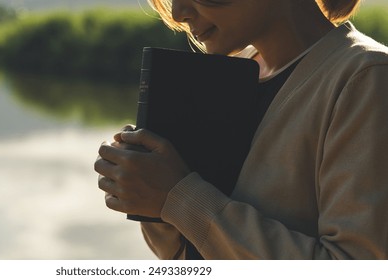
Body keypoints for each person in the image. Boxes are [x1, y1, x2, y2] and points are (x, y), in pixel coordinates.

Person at [94, 0, 388, 259]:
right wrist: (150, 197)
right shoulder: (229, 75)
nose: (179, 12)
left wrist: (179, 197)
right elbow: (190, 257)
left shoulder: (367, 78)